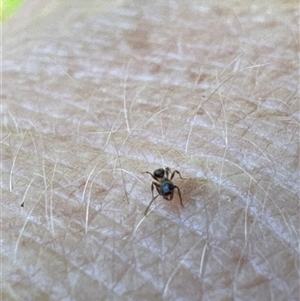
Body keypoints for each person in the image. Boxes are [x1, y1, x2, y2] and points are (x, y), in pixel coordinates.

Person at [2, 1, 298, 300]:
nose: (166, 185)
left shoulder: (167, 179)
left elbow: (168, 178)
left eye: (166, 185)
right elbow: (160, 179)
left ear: (165, 182)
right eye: (165, 187)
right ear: (163, 184)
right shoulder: (161, 180)